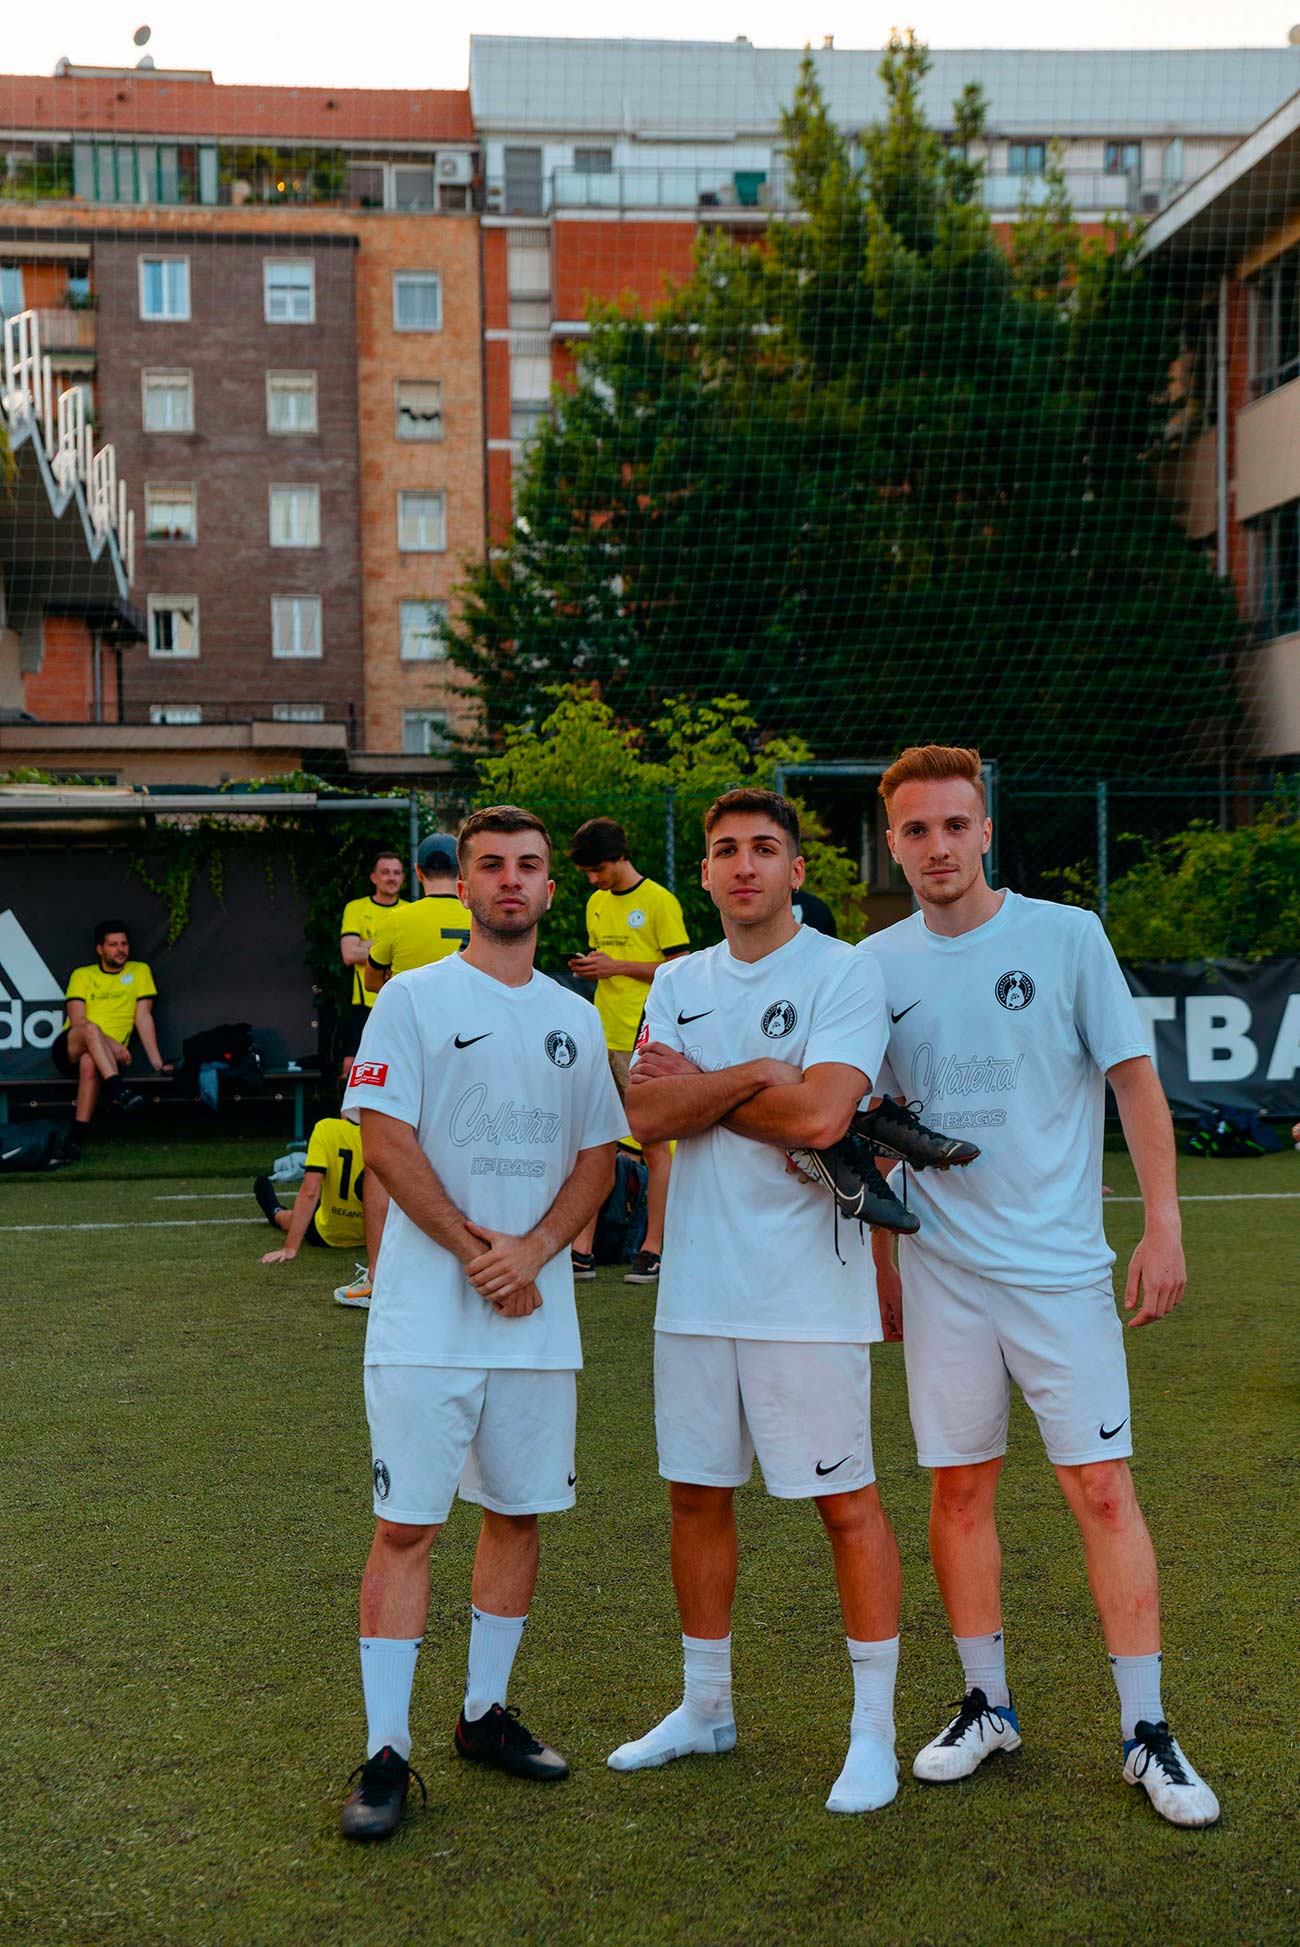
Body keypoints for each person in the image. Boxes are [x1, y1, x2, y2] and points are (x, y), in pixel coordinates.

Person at [859, 744, 1218, 1828]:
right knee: (958, 1490)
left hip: (1060, 1275)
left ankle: (1146, 1730)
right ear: (892, 844)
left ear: (984, 830)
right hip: (942, 1275)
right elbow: (866, 1125)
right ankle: (987, 1705)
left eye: (953, 825)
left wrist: (1163, 1225)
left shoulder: (1066, 936)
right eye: (915, 830)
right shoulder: (873, 965)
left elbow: (1134, 1082)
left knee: (1100, 1488)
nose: (937, 846)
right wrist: (883, 1262)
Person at [607, 787, 905, 1816]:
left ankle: (873, 1733)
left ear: (795, 870)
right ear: (703, 873)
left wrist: (706, 1085)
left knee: (845, 1506)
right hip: (695, 1291)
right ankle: (706, 1707)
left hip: (806, 1294)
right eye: (726, 849)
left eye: (764, 848)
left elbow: (821, 1116)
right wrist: (752, 1075)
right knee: (695, 1497)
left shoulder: (842, 969)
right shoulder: (678, 977)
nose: (744, 865)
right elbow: (644, 1110)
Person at [336, 804, 624, 1841]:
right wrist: (476, 1254)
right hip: (426, 1318)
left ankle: (482, 1713)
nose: (510, 880)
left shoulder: (574, 1016)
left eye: (528, 866)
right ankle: (386, 1751)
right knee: (406, 1527)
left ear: (550, 887)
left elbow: (599, 1155)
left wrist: (534, 1252)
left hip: (535, 1320)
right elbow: (384, 1141)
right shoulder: (412, 999)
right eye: (491, 864)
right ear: (460, 885)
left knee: (516, 1512)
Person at [566, 816, 690, 1285]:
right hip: (601, 1037)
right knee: (595, 1142)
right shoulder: (596, 903)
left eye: (597, 869)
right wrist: (594, 968)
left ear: (620, 856)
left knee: (655, 1146)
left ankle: (653, 1248)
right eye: (587, 872)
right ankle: (581, 1251)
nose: (593, 879)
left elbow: (680, 968)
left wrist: (617, 965)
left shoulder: (659, 901)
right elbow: (608, 967)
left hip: (644, 1039)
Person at [54, 919, 171, 1151]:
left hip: (103, 1058)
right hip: (69, 1048)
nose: (120, 949)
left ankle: (76, 1139)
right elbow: (77, 1020)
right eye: (113, 944)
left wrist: (158, 1063)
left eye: (124, 944)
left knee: (90, 1062)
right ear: (100, 949)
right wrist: (112, 1044)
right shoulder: (82, 975)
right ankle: (118, 1089)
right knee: (90, 1029)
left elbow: (143, 1018)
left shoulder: (139, 971)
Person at [254, 1111, 367, 1295]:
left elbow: (310, 1192)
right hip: (377, 1236)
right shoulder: (391, 1130)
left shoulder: (326, 1128)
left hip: (328, 1232)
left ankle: (274, 1210)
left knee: (291, 1218)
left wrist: (290, 1248)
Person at [364, 835, 468, 988]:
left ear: (418, 872)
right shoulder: (480, 919)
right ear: (462, 872)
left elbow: (371, 983)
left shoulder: (396, 919)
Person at [340, 851, 407, 1059]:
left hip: (400, 1003)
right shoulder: (356, 908)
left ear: (403, 878)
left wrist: (367, 944)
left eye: (396, 873)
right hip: (364, 1003)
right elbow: (349, 954)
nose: (391, 877)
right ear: (373, 877)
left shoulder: (410, 911)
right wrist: (389, 947)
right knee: (352, 1066)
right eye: (385, 872)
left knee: (399, 1063)